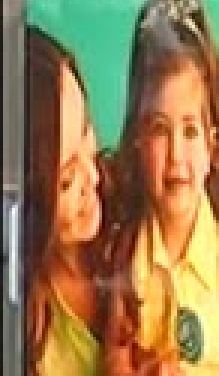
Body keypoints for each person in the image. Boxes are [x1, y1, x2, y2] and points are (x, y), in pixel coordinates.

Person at [102, 0, 219, 376]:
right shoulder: (125, 253)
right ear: (139, 140)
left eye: (191, 131)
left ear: (212, 146)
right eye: (160, 130)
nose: (176, 155)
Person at [25, 26, 109, 376]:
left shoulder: (136, 204)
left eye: (87, 131)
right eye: (66, 180)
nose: (94, 177)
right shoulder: (24, 320)